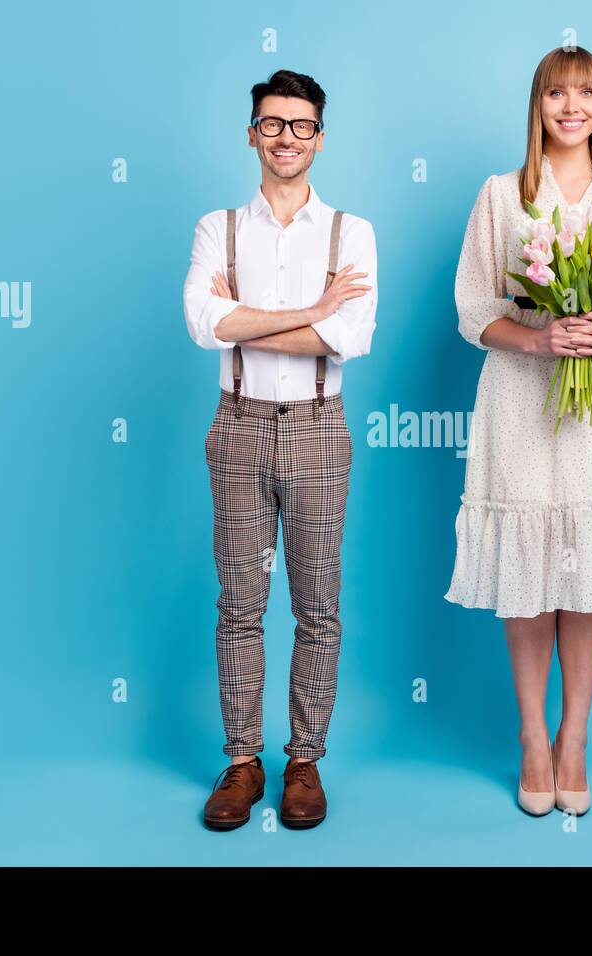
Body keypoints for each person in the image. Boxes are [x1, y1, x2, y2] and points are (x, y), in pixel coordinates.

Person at [444, 46, 592, 817]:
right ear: (537, 104)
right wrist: (541, 340)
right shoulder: (503, 194)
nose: (571, 107)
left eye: (586, 93)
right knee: (528, 571)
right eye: (556, 93)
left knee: (585, 570)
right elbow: (476, 311)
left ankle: (574, 735)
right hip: (520, 396)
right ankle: (531, 737)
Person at [182, 69, 377, 830]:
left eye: (301, 125)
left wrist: (248, 315)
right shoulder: (217, 227)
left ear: (319, 137)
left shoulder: (349, 232)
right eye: (272, 123)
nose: (286, 137)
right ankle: (241, 761)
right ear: (251, 133)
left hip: (319, 427)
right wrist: (308, 311)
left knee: (318, 605)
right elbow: (204, 323)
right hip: (237, 424)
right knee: (240, 602)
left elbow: (348, 336)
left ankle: (304, 760)